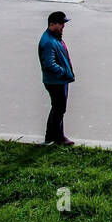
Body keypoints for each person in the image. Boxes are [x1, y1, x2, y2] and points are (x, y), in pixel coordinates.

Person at [38, 11, 76, 146]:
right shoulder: (49, 41)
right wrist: (64, 72)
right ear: (52, 24)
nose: (63, 26)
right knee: (59, 109)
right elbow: (49, 64)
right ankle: (57, 137)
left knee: (58, 108)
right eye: (61, 24)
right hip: (56, 81)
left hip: (57, 80)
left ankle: (52, 136)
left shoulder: (54, 37)